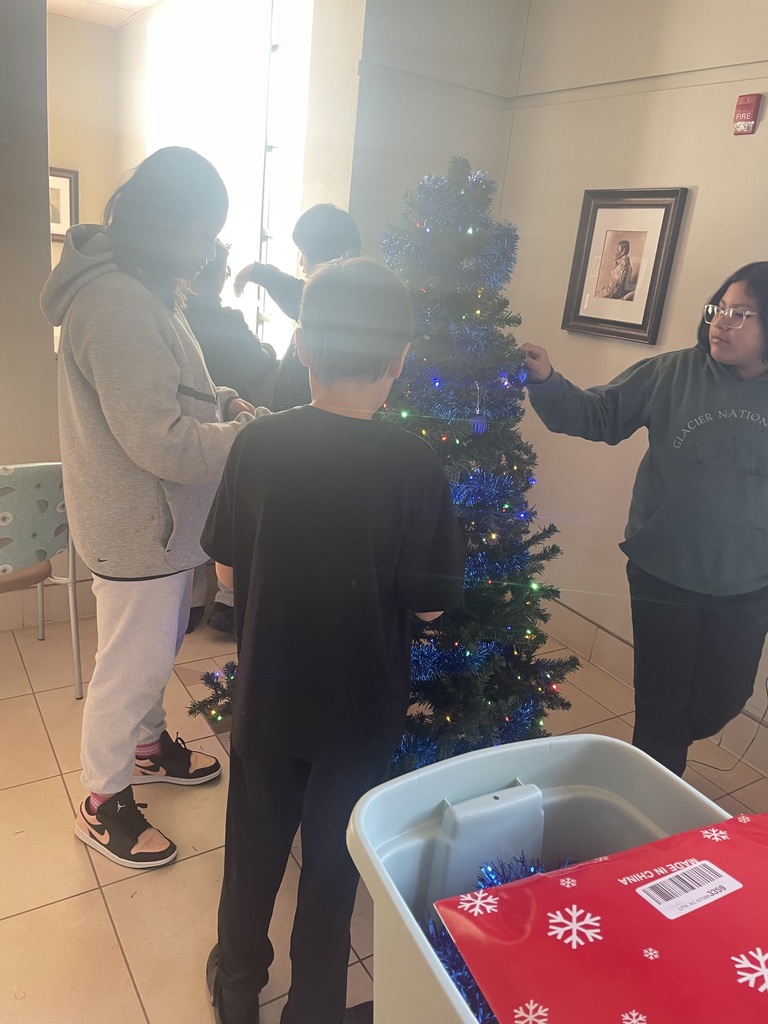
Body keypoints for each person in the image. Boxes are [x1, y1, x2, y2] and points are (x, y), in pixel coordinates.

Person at [201, 258, 466, 1024]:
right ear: (400, 359)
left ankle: (238, 983)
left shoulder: (257, 444)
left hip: (269, 696)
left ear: (305, 346)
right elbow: (432, 608)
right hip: (360, 705)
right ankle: (315, 1004)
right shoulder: (414, 464)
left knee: (252, 850)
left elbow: (224, 566)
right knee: (332, 864)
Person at [40, 147, 266, 870]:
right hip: (141, 526)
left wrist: (225, 402)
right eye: (202, 234)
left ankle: (145, 747)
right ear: (165, 226)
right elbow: (161, 442)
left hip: (161, 527)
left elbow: (173, 392)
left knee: (152, 653)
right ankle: (102, 802)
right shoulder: (115, 303)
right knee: (129, 669)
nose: (210, 252)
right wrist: (245, 437)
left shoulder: (144, 286)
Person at [520, 262, 768, 777]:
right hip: (663, 572)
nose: (721, 322)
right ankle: (652, 808)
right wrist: (545, 380)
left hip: (746, 581)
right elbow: (599, 415)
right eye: (718, 309)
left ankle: (659, 757)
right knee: (659, 706)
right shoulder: (673, 372)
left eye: (740, 313)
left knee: (722, 699)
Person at [184, 239, 278, 636]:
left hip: (188, 436)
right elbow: (258, 364)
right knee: (234, 514)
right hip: (231, 434)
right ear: (220, 273)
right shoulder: (230, 322)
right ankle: (227, 603)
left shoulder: (173, 318)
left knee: (190, 512)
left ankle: (187, 606)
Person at [233, 203, 362, 411]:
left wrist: (252, 273)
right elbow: (282, 284)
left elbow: (285, 286)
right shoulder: (349, 301)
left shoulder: (318, 302)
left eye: (303, 252)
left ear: (320, 252)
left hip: (303, 426)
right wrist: (253, 272)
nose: (301, 263)